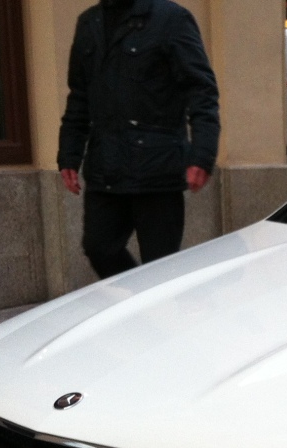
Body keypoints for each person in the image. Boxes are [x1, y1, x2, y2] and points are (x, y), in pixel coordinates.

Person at [58, 0, 219, 278]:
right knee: (99, 248)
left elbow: (201, 90)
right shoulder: (89, 23)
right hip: (105, 167)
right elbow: (79, 97)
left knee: (160, 267)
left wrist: (202, 155)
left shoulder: (171, 19)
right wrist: (69, 155)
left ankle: (158, 309)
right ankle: (142, 309)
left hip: (157, 169)